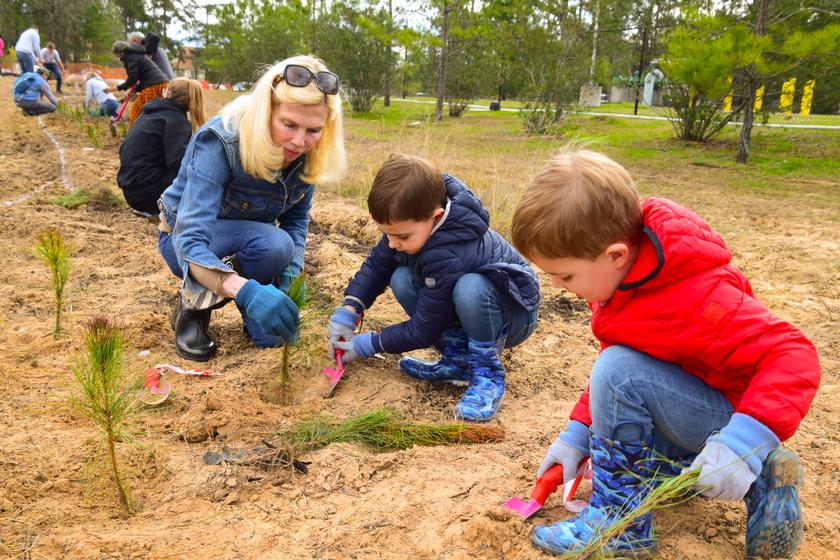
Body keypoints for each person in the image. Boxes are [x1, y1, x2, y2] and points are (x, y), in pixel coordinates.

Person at [509, 149, 820, 559]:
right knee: (627, 407)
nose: (556, 285)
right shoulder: (622, 281)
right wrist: (578, 433)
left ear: (615, 254)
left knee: (618, 371)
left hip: (726, 420)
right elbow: (630, 368)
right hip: (689, 418)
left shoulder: (698, 295)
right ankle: (762, 480)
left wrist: (743, 441)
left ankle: (620, 527)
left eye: (565, 275)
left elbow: (794, 354)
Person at [157, 55, 345, 361]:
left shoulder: (308, 153)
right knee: (273, 243)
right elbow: (189, 241)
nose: (299, 141)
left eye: (313, 130)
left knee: (271, 339)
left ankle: (243, 295)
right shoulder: (221, 141)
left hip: (248, 243)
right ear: (267, 111)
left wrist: (285, 287)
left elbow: (296, 223)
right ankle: (194, 306)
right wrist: (246, 291)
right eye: (288, 124)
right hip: (183, 242)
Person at [327, 154, 540, 422]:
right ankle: (458, 361)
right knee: (401, 277)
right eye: (386, 234)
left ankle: (486, 374)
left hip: (513, 317)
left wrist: (369, 343)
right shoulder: (413, 222)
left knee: (470, 288)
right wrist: (350, 308)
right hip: (474, 309)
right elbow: (377, 266)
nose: (392, 243)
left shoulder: (450, 251)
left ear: (435, 216)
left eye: (401, 236)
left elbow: (425, 329)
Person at [118, 78, 205, 216]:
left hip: (132, 189)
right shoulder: (177, 122)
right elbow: (179, 162)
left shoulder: (150, 112)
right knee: (193, 170)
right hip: (147, 195)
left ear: (167, 93)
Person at [112, 40, 168, 126]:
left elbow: (133, 78)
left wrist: (119, 87)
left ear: (121, 52)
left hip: (153, 86)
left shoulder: (130, 57)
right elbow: (144, 77)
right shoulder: (137, 55)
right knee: (158, 111)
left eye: (117, 55)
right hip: (162, 84)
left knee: (136, 110)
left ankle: (135, 135)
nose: (118, 58)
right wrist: (135, 90)